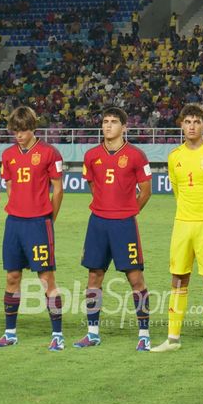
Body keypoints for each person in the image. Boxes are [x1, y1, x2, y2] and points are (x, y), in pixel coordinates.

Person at [151, 104, 203, 355]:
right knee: (177, 278)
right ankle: (173, 338)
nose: (192, 126)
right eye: (187, 121)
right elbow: (177, 191)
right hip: (182, 225)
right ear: (181, 124)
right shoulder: (174, 155)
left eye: (197, 121)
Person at [75, 107, 153, 351]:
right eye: (105, 122)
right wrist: (104, 207)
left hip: (124, 224)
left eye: (113, 122)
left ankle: (144, 334)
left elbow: (146, 190)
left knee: (135, 278)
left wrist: (128, 211)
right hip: (98, 222)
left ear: (124, 127)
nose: (108, 126)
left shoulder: (136, 155)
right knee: (94, 276)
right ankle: (92, 332)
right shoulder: (91, 155)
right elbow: (93, 186)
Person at [0, 106, 65, 351]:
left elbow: (58, 190)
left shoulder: (49, 153)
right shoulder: (8, 155)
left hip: (38, 223)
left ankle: (57, 334)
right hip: (14, 223)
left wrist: (48, 219)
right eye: (15, 131)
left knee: (46, 279)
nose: (19, 135)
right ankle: (10, 333)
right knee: (12, 277)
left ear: (33, 128)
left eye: (23, 130)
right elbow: (10, 187)